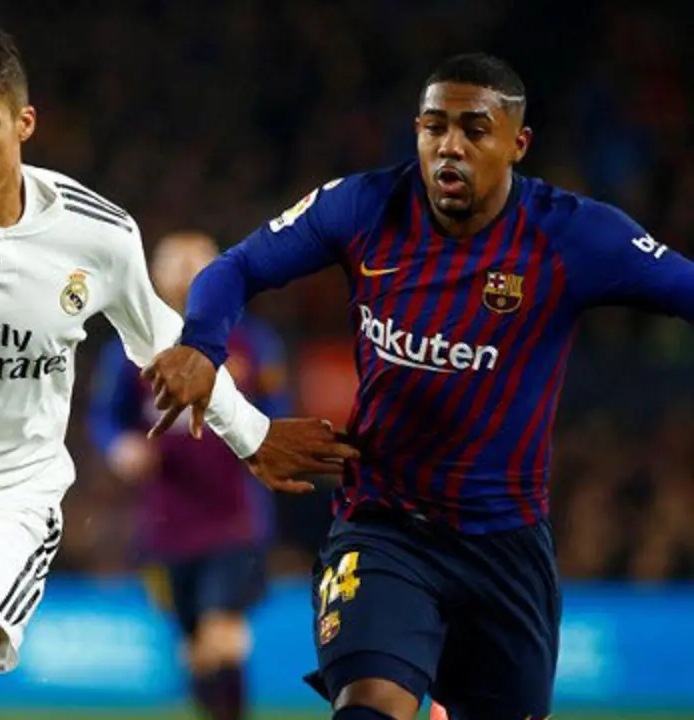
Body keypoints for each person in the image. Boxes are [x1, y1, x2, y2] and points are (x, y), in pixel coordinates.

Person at [0, 21, 329, 720]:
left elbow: (168, 346)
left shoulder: (96, 235)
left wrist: (252, 434)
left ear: (24, 123)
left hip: (4, 500)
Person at [144, 53, 694, 720]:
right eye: (434, 128)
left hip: (506, 546)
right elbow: (234, 268)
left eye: (474, 129)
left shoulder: (573, 235)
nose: (449, 147)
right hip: (383, 527)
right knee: (369, 707)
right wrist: (202, 344)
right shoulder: (365, 206)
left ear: (518, 144)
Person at [89, 231, 290, 720]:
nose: (182, 272)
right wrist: (122, 448)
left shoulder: (250, 343)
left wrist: (263, 446)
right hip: (165, 522)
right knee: (195, 646)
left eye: (194, 262)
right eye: (171, 262)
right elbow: (106, 419)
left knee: (223, 633)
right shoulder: (132, 351)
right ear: (154, 275)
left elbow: (278, 412)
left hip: (234, 516)